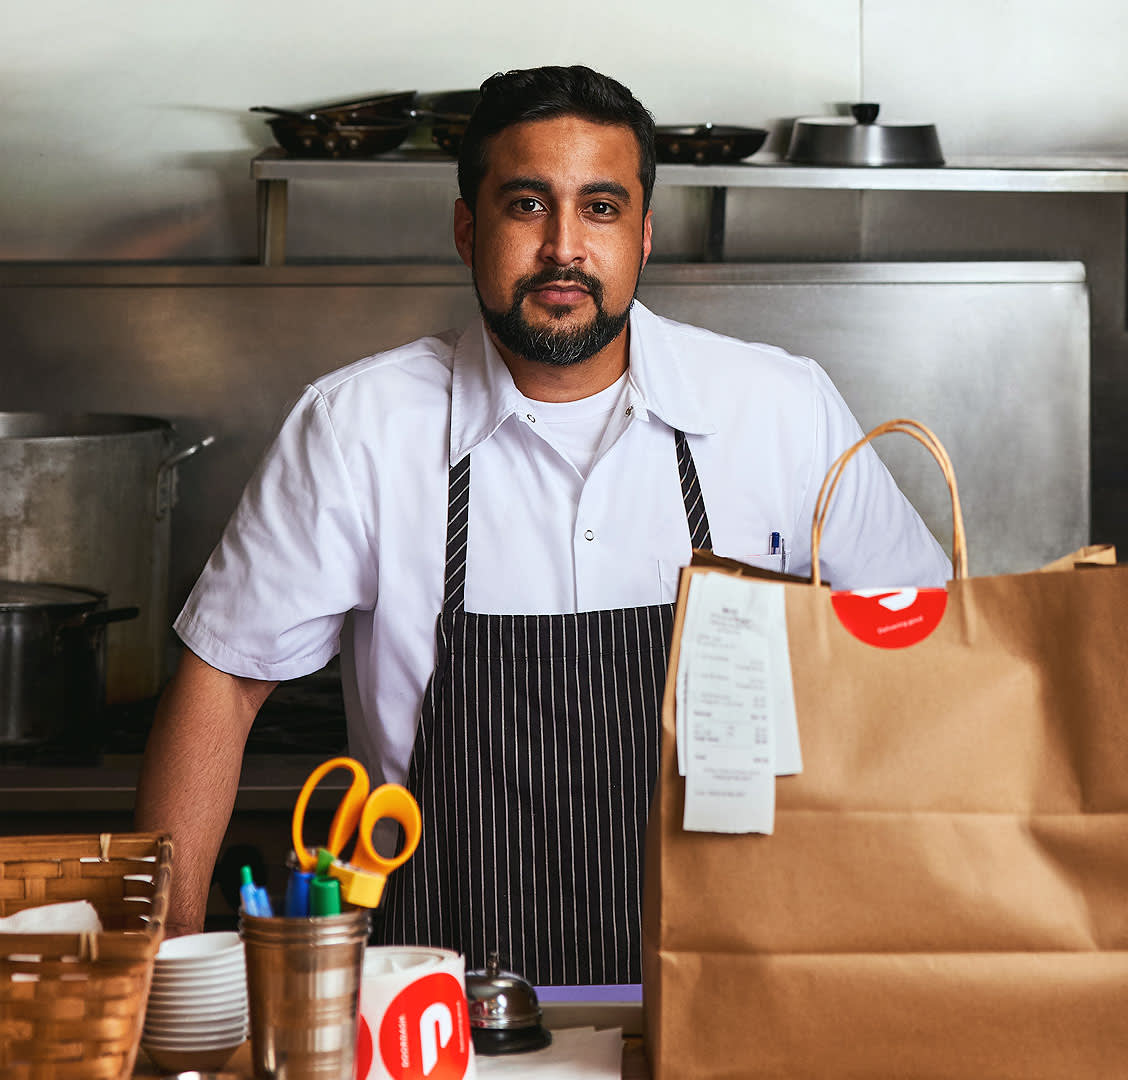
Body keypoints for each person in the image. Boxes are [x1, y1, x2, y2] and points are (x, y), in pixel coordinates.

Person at [135, 64, 950, 985]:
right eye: (527, 205)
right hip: (437, 1008)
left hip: (729, 993)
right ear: (466, 228)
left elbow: (925, 654)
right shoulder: (358, 427)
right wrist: (164, 967)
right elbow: (222, 683)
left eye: (600, 208)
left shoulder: (779, 409)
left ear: (645, 235)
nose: (564, 247)